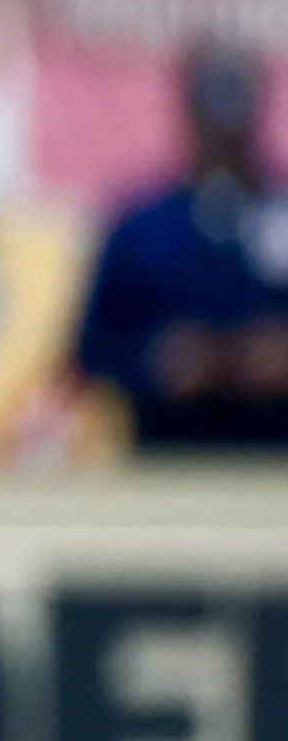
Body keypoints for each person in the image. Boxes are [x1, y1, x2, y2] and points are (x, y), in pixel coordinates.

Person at [72, 46, 288, 448]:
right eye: (212, 104)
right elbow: (89, 350)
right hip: (169, 463)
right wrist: (155, 361)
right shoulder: (141, 228)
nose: (225, 128)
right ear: (187, 112)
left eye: (236, 103)